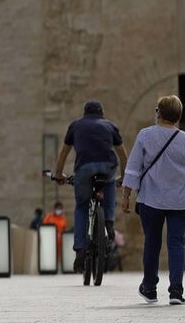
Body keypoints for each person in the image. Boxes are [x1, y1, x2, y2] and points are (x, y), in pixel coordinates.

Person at [122, 95, 185, 305]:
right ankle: (176, 291)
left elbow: (133, 168)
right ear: (178, 116)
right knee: (177, 243)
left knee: (152, 242)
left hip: (150, 200)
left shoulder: (145, 135)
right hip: (181, 201)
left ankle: (150, 288)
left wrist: (126, 196)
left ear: (159, 112)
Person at [51, 99, 127, 271]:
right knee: (109, 185)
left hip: (83, 169)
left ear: (85, 113)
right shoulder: (110, 126)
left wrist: (58, 174)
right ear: (101, 113)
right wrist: (124, 176)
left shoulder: (75, 126)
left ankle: (79, 250)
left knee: (82, 207)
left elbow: (64, 153)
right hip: (108, 167)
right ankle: (109, 223)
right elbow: (122, 155)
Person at [43, 200, 68, 265]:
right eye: (58, 208)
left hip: (60, 243)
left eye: (60, 208)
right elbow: (43, 228)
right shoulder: (49, 217)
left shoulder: (63, 219)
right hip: (50, 242)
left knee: (58, 258)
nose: (59, 210)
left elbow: (65, 229)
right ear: (55, 208)